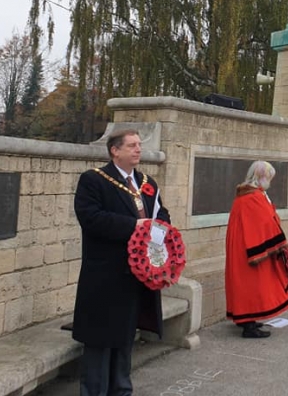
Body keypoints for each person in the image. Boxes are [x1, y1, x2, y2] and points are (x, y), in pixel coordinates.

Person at [72, 129, 171, 395]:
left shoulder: (146, 183)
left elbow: (162, 216)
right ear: (115, 150)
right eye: (132, 146)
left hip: (135, 276)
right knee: (100, 343)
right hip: (104, 276)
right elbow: (91, 218)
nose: (138, 149)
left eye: (139, 145)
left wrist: (159, 235)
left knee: (125, 340)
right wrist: (135, 226)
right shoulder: (94, 180)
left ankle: (121, 391)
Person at [225, 161, 288, 338]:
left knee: (248, 284)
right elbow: (265, 222)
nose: (270, 182)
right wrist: (280, 242)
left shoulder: (248, 195)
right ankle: (248, 326)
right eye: (268, 178)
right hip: (248, 249)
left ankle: (249, 319)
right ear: (261, 177)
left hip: (243, 246)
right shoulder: (252, 197)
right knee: (249, 284)